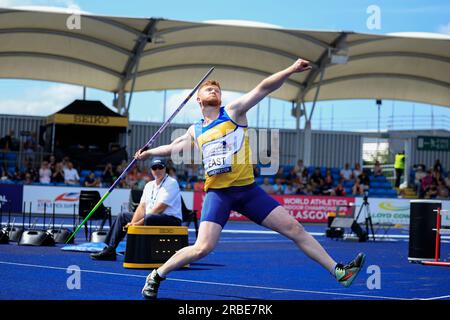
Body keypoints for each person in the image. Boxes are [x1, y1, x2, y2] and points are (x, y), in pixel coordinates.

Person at [134, 59, 365, 299]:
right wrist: (148, 152)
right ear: (198, 100)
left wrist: (291, 69)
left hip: (248, 191)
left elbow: (264, 87)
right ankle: (156, 275)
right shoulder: (195, 130)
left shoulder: (233, 112)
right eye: (208, 89)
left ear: (221, 99)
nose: (213, 90)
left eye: (217, 90)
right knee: (203, 247)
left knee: (295, 228)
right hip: (219, 195)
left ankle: (340, 272)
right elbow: (173, 147)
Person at [91, 158, 182, 261]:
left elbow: (160, 208)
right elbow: (142, 207)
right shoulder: (149, 185)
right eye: (154, 167)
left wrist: (138, 223)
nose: (157, 170)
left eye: (160, 167)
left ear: (165, 169)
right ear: (151, 170)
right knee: (122, 216)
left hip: (171, 219)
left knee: (149, 217)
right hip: (151, 216)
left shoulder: (171, 183)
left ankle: (143, 251)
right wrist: (132, 223)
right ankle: (110, 249)